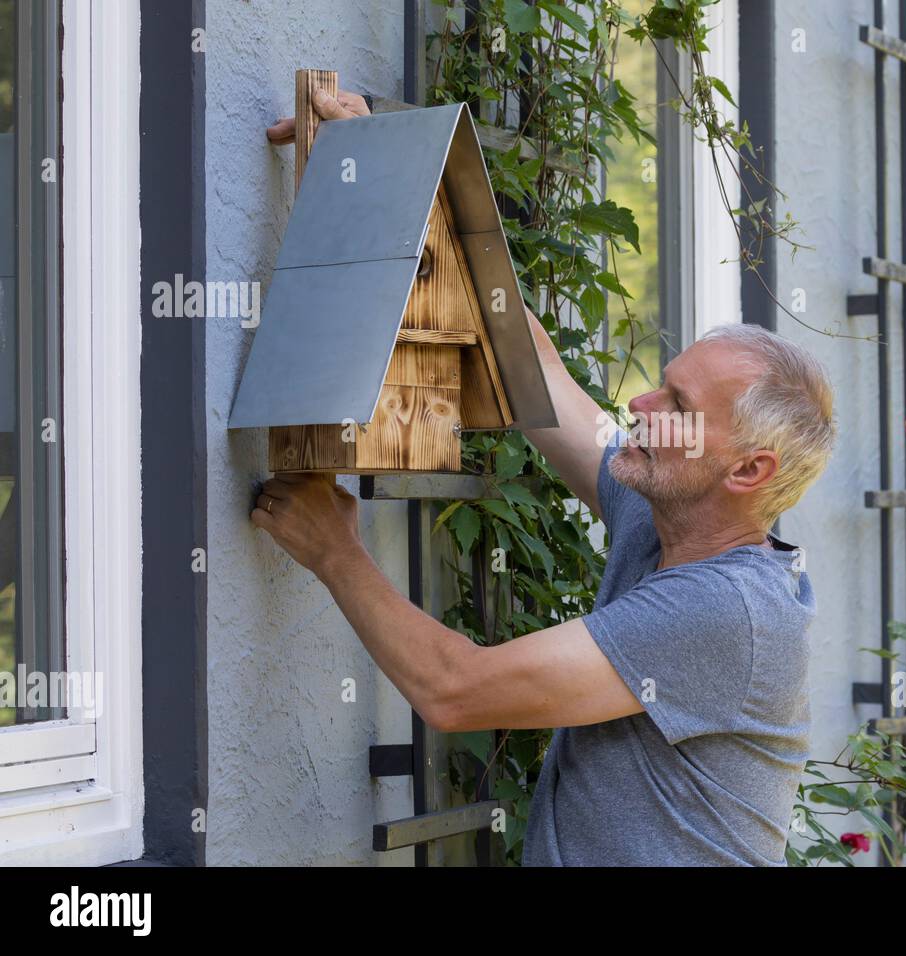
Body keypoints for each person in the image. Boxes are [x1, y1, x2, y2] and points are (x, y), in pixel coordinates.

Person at [255, 89, 837, 866]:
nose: (639, 401)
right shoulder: (664, 509)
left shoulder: (726, 610)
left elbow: (456, 691)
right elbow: (536, 365)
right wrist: (386, 172)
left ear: (749, 469)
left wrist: (336, 553)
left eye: (677, 402)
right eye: (661, 381)